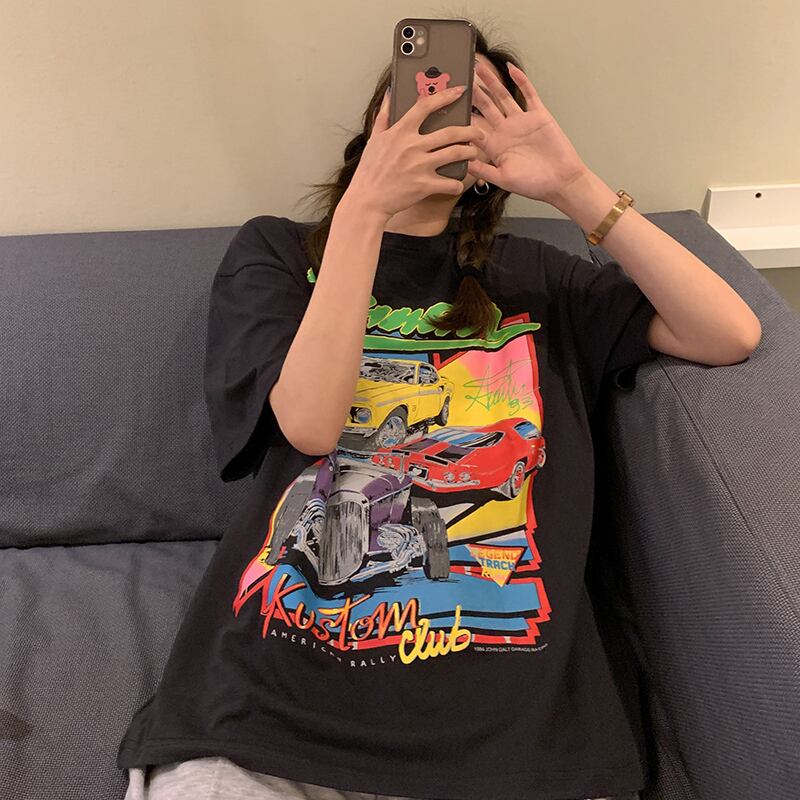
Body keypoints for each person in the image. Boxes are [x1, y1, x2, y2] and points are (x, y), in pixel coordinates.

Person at [117, 20, 761, 800]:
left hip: (518, 743)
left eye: (476, 109)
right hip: (267, 722)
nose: (444, 116)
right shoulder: (280, 255)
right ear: (375, 121)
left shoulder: (539, 278)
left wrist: (573, 183)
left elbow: (729, 332)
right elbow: (312, 426)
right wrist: (364, 210)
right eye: (423, 92)